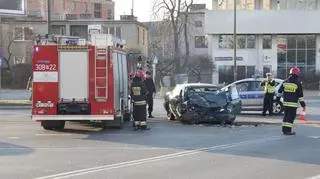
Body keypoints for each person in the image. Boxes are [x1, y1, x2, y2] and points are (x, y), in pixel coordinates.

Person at [277, 67, 306, 135]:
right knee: (291, 117)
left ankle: (284, 129)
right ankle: (288, 131)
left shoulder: (285, 81)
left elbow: (279, 91)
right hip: (292, 104)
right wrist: (303, 105)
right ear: (297, 73)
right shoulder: (298, 82)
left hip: (285, 103)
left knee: (286, 116)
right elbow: (300, 95)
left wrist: (278, 100)